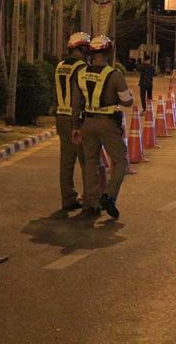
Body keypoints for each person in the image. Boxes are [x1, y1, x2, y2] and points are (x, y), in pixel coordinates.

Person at [71, 35, 135, 219]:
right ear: (108, 53)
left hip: (87, 123)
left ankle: (91, 204)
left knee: (91, 162)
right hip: (108, 124)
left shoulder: (81, 74)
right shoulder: (114, 75)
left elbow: (76, 103)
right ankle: (109, 196)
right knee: (120, 161)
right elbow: (127, 101)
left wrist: (76, 126)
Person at [54, 32, 90, 212]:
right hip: (76, 119)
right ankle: (90, 198)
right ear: (82, 48)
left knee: (66, 161)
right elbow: (81, 96)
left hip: (61, 116)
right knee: (86, 160)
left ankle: (68, 198)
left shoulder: (60, 66)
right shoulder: (82, 67)